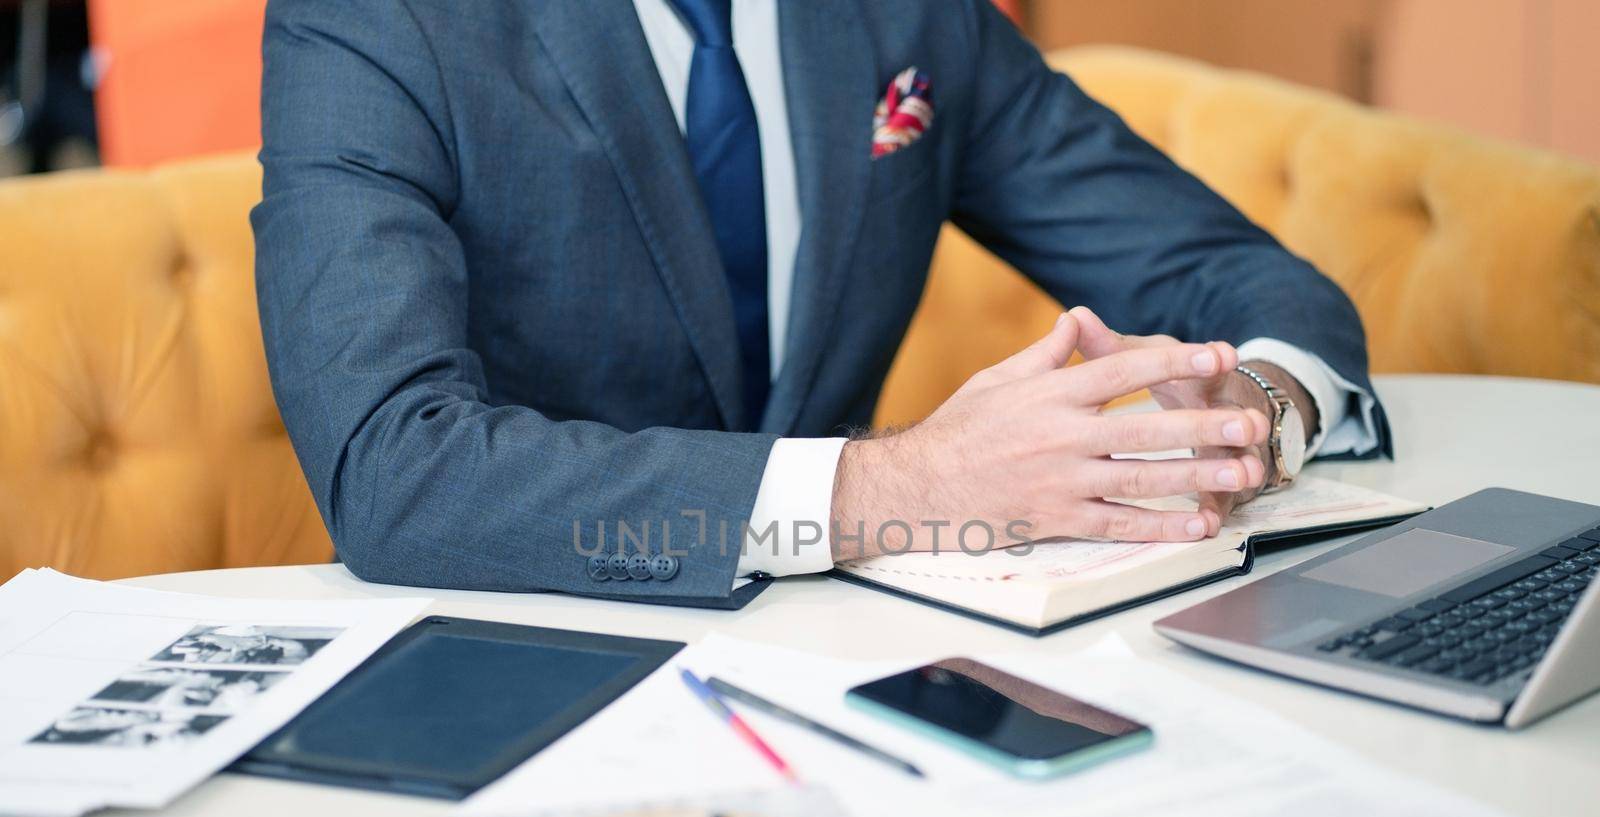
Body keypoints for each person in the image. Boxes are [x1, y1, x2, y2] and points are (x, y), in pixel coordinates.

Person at [253, 0, 1390, 608]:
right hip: (534, 654)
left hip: (865, 661)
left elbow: (1245, 281)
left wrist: (1251, 414)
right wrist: (903, 487)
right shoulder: (373, 18)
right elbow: (395, 473)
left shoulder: (909, 20)